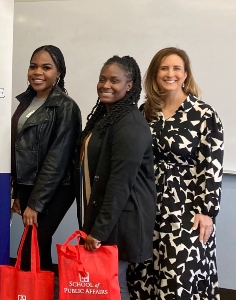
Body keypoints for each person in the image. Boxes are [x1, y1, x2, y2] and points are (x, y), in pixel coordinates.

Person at [131, 47, 224, 299]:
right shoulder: (144, 112)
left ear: (185, 75)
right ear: (155, 73)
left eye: (176, 68)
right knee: (144, 270)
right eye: (164, 68)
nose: (170, 73)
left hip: (186, 207)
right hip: (148, 201)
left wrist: (207, 212)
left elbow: (212, 166)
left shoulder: (204, 114)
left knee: (178, 274)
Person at [76, 56, 156, 299]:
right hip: (106, 218)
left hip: (120, 222)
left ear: (129, 85)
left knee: (113, 285)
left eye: (114, 80)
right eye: (102, 79)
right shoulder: (107, 118)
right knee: (104, 284)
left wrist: (99, 231)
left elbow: (120, 184)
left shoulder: (130, 124)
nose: (106, 85)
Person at [11, 45, 81, 272]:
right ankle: (35, 290)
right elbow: (20, 148)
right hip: (29, 186)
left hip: (57, 187)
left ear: (59, 73)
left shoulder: (66, 107)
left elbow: (57, 159)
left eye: (46, 67)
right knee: (35, 242)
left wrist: (36, 203)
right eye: (33, 66)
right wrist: (19, 193)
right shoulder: (26, 102)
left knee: (36, 240)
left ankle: (34, 291)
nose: (37, 72)